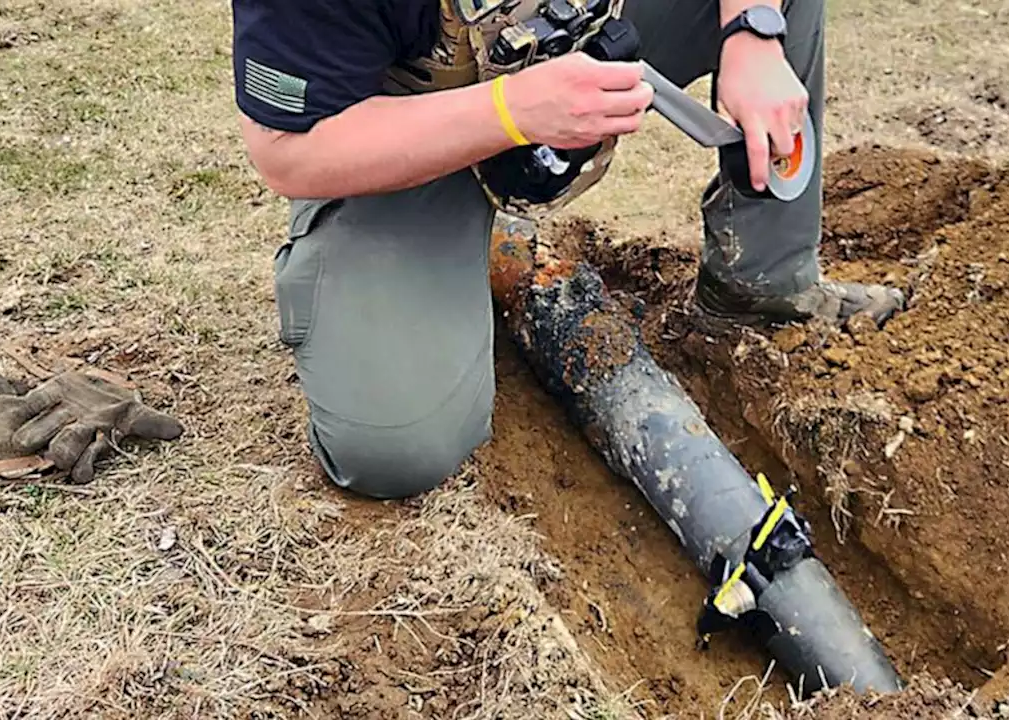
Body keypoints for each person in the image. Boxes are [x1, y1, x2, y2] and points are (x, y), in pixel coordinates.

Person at [230, 0, 905, 501]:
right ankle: (449, 250)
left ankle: (763, 281)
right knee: (395, 445)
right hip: (408, 129)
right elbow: (288, 149)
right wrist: (509, 114)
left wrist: (754, 30)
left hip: (574, 41)